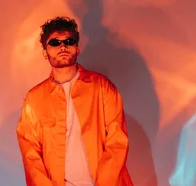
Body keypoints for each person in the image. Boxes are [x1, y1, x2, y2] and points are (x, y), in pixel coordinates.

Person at [16, 16, 134, 186]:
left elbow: (118, 141)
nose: (62, 46)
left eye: (69, 41)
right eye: (54, 42)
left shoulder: (101, 87)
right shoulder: (34, 99)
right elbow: (30, 153)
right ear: (45, 52)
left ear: (77, 49)